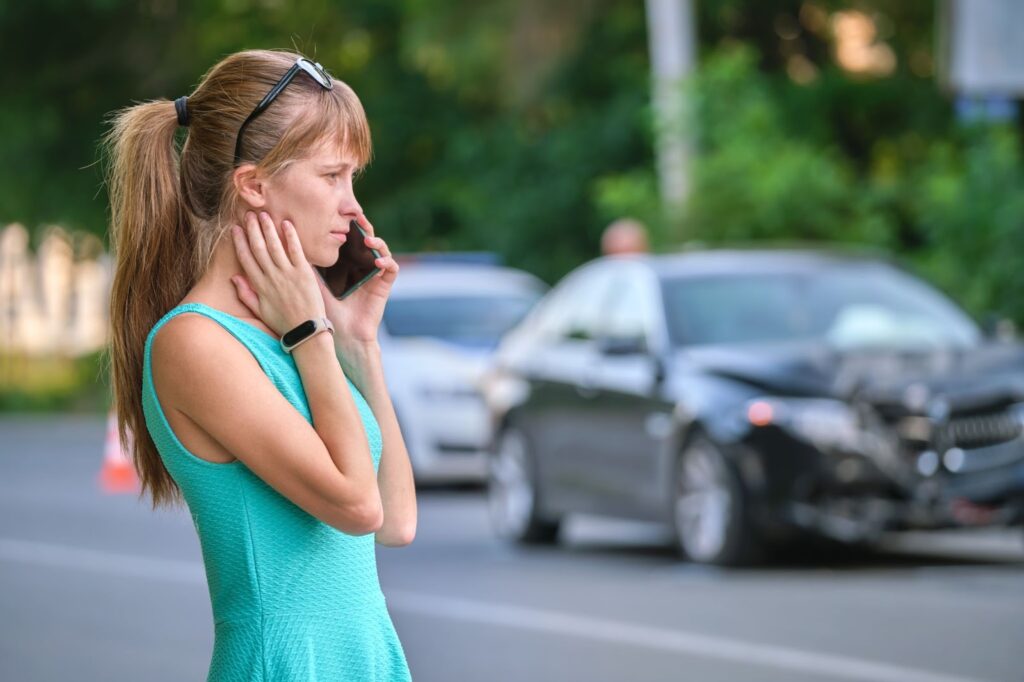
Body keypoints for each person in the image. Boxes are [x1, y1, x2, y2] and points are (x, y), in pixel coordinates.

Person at [103, 49, 416, 680]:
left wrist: (357, 345)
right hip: (285, 664)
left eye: (353, 178)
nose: (353, 206)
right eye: (332, 176)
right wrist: (311, 333)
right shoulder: (194, 343)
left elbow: (397, 522)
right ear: (253, 185)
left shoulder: (297, 334)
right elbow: (357, 507)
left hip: (365, 658)